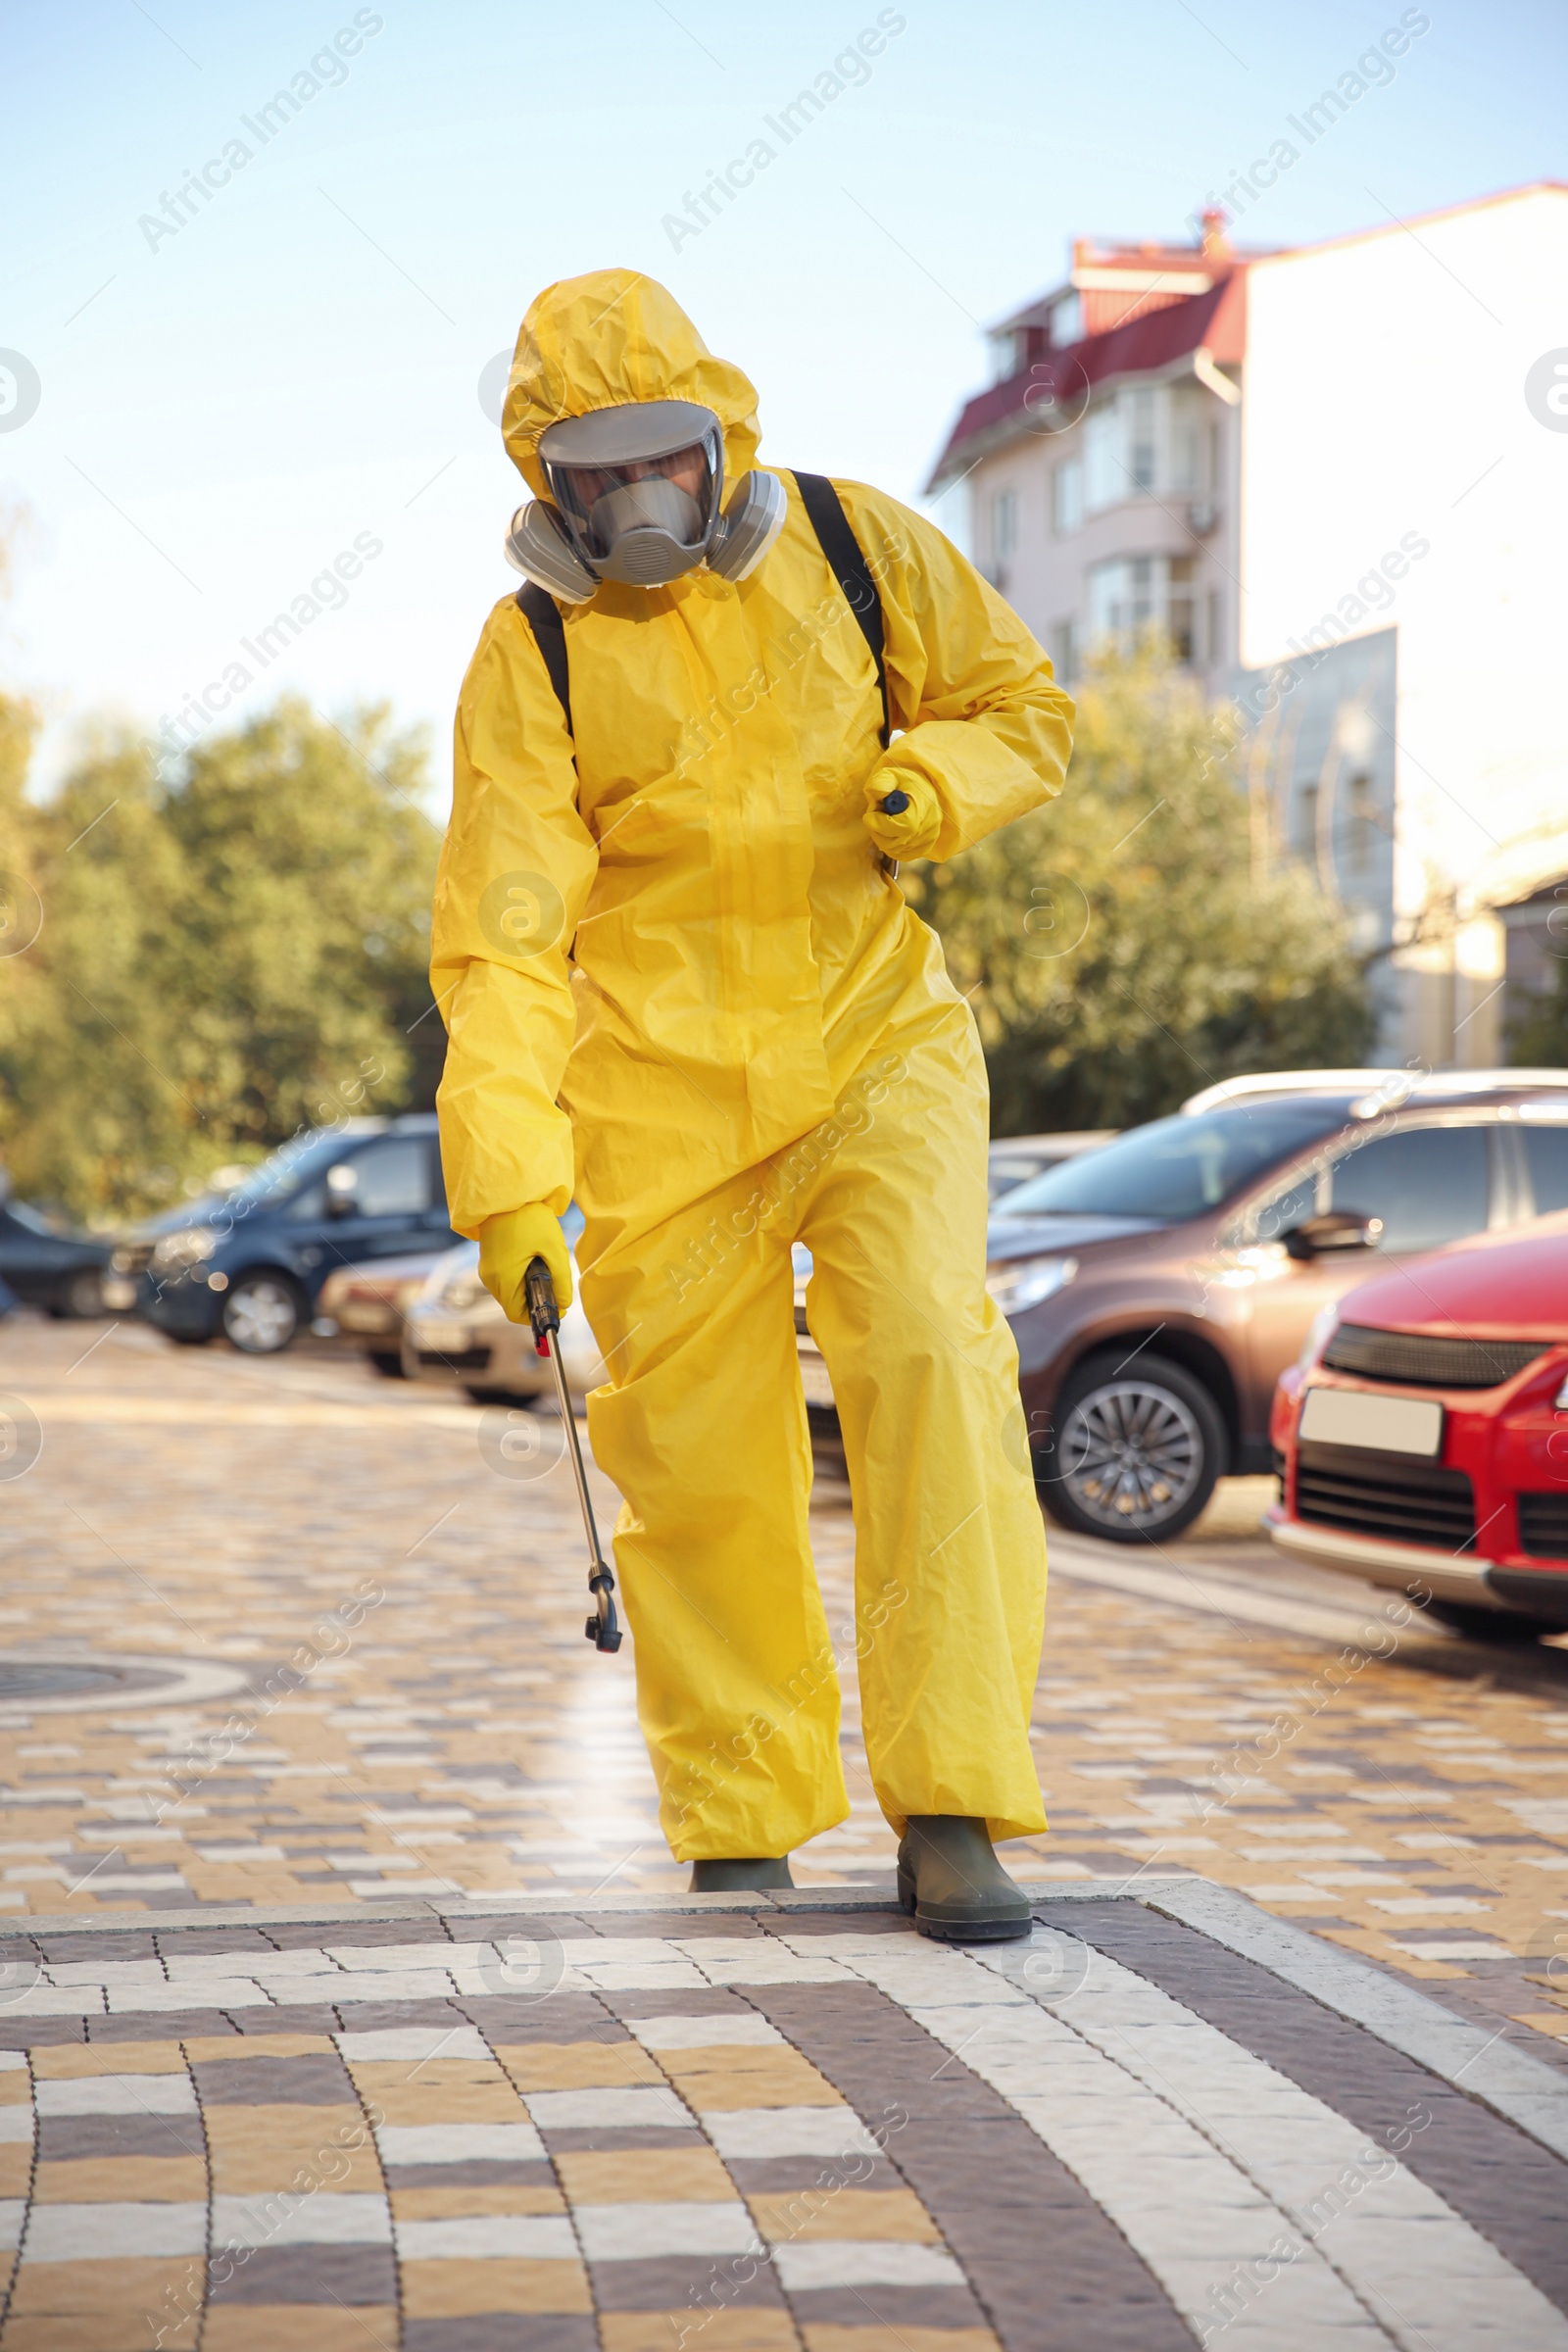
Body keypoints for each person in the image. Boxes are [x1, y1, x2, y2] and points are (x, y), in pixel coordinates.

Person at [431, 269, 1074, 1940]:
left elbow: (1027, 708)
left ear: (725, 441)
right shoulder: (535, 653)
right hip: (655, 1098)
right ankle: (743, 1818)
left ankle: (951, 1807)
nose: (642, 503)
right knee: (703, 1464)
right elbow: (501, 932)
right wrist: (510, 1184)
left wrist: (934, 784)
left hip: (875, 1040)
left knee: (933, 1357)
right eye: (598, 477)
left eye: (668, 460)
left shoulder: (861, 550)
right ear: (547, 487)